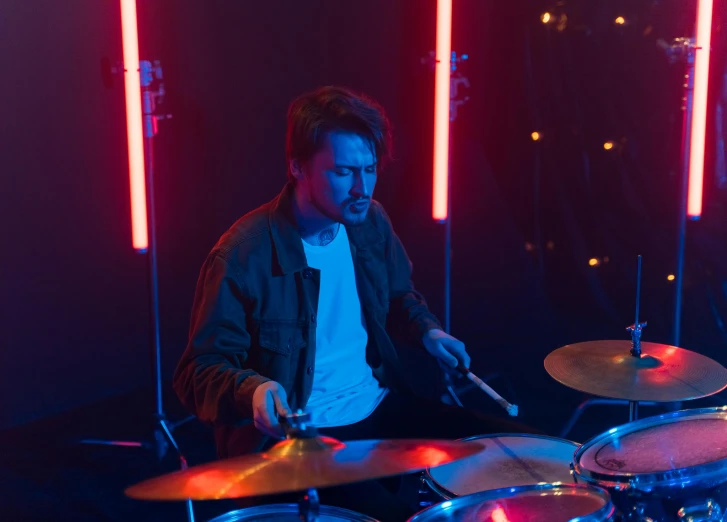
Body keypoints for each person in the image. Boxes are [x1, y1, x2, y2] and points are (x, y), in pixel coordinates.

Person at [173, 86, 537, 520]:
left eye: (370, 169)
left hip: (378, 405)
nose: (362, 187)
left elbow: (398, 297)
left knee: (527, 458)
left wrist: (427, 330)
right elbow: (197, 371)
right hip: (301, 436)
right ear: (297, 167)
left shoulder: (370, 222)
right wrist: (252, 390)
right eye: (344, 172)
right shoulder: (242, 255)